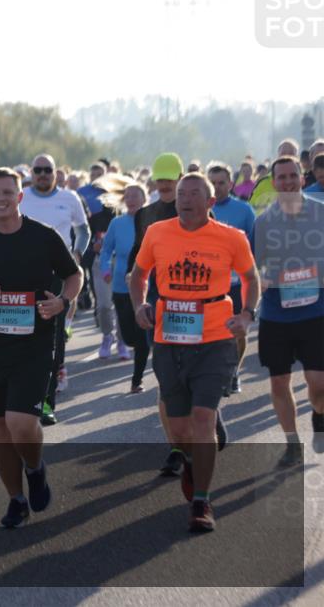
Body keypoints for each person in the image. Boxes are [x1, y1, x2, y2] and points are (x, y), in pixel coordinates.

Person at [0, 168, 81, 527]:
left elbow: (74, 275)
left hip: (34, 344)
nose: (1, 199)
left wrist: (63, 303)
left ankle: (35, 469)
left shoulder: (43, 237)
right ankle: (16, 499)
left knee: (20, 422)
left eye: (8, 192)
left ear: (19, 197)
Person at [130, 173, 259, 533]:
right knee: (182, 426)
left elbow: (251, 277)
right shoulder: (158, 232)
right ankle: (189, 460)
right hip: (169, 336)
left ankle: (201, 501)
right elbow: (138, 274)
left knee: (203, 418)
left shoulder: (231, 238)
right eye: (181, 194)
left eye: (193, 194)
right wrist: (140, 305)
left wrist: (246, 314)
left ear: (210, 202)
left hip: (215, 336)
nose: (185, 200)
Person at [127, 153, 225, 473]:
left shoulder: (197, 208)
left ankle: (210, 415)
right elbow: (137, 259)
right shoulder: (145, 214)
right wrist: (135, 294)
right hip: (162, 307)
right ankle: (176, 449)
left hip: (201, 306)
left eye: (172, 179)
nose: (166, 185)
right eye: (161, 179)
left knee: (198, 374)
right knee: (167, 381)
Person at [252, 156, 324, 464]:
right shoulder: (264, 221)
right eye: (281, 177)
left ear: (302, 178)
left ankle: (319, 415)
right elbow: (252, 267)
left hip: (315, 312)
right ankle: (292, 443)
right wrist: (262, 279)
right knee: (279, 382)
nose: (288, 181)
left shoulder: (320, 213)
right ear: (273, 182)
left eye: (292, 175)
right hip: (276, 315)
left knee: (318, 384)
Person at [18, 154, 89, 424]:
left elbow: (83, 231)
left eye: (48, 170)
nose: (43, 174)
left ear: (56, 173)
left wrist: (77, 255)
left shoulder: (70, 198)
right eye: (38, 170)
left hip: (57, 274)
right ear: (32, 173)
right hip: (23, 276)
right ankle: (22, 395)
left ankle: (47, 401)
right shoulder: (22, 196)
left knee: (54, 339)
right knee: (22, 334)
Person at [207, 163, 256, 395]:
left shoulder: (244, 210)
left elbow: (256, 246)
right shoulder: (200, 209)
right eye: (213, 183)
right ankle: (212, 373)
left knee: (237, 332)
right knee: (212, 333)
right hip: (208, 285)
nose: (217, 188)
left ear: (231, 184)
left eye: (221, 183)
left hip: (237, 282)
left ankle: (234, 372)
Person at [99, 181, 151, 391]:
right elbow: (105, 250)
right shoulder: (117, 223)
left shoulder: (152, 222)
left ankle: (136, 380)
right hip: (121, 285)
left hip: (146, 285)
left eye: (135, 196)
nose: (130, 200)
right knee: (129, 336)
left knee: (141, 336)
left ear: (144, 199)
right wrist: (105, 269)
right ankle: (132, 345)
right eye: (127, 196)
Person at [80, 163, 122, 359]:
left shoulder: (124, 210)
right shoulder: (91, 212)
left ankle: (121, 340)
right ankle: (107, 336)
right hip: (100, 262)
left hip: (122, 263)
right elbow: (84, 235)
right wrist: (92, 247)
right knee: (104, 305)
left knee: (122, 303)